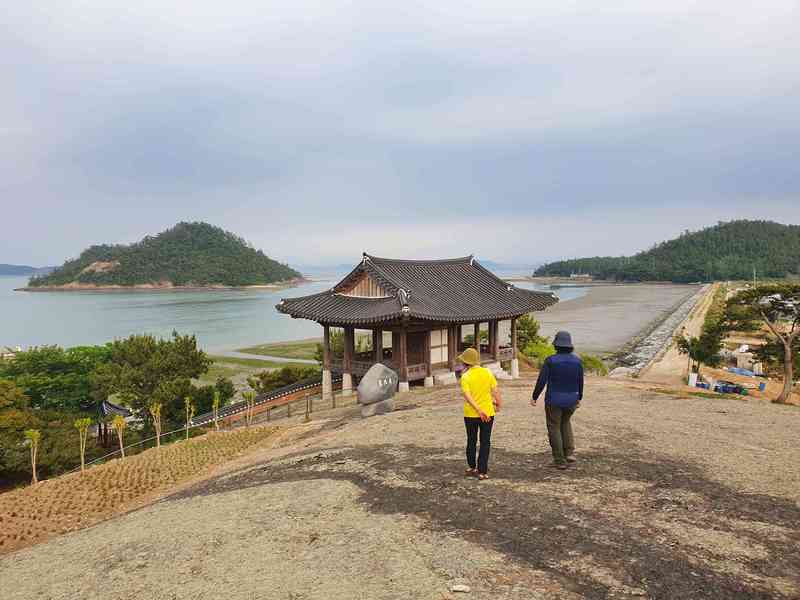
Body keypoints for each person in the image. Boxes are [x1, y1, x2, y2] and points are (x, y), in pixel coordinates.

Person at [530, 331, 584, 470]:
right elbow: (580, 381)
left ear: (556, 345)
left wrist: (535, 396)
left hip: (554, 400)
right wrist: (579, 397)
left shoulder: (551, 360)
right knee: (565, 423)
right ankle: (569, 453)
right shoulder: (577, 361)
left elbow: (542, 381)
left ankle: (559, 460)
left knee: (554, 427)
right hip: (572, 399)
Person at [458, 347, 502, 480]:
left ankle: (472, 467)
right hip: (488, 413)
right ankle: (482, 471)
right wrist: (498, 403)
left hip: (470, 415)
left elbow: (467, 396)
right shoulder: (487, 372)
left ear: (465, 362)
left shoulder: (465, 377)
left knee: (471, 440)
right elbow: (495, 390)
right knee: (485, 441)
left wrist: (478, 410)